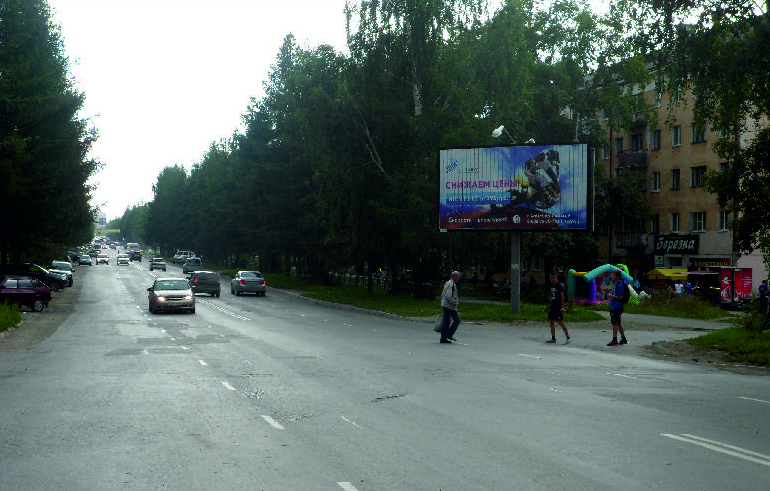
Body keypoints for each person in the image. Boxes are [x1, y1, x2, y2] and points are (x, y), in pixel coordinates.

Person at [546, 273, 570, 344]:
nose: (552, 279)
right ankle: (553, 338)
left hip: (558, 306)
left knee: (560, 322)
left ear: (556, 278)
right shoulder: (552, 286)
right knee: (551, 321)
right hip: (552, 306)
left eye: (554, 278)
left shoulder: (559, 286)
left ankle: (568, 337)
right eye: (551, 278)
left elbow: (562, 297)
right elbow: (552, 296)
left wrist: (562, 307)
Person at [606, 270, 628, 346]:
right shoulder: (616, 284)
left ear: (617, 276)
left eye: (614, 275)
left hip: (617, 306)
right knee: (618, 322)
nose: (612, 276)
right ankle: (623, 338)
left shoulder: (620, 285)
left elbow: (621, 297)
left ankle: (614, 339)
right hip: (614, 305)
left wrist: (611, 296)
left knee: (614, 323)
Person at [439, 271, 462, 344]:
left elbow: (443, 294)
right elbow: (448, 296)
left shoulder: (448, 282)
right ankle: (449, 334)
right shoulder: (451, 284)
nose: (459, 279)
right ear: (454, 277)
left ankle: (443, 338)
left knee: (446, 322)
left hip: (445, 305)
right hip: (449, 306)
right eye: (458, 277)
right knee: (457, 319)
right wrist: (455, 303)